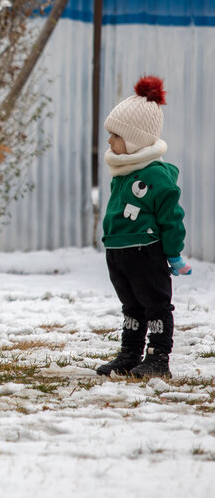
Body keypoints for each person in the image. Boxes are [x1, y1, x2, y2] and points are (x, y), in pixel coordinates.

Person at [96, 76, 191, 379]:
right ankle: (130, 354)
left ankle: (158, 357)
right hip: (120, 253)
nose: (109, 141)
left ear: (135, 140)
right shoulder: (122, 173)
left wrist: (173, 255)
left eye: (116, 135)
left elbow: (172, 218)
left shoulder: (157, 176)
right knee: (131, 306)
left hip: (145, 252)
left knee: (155, 305)